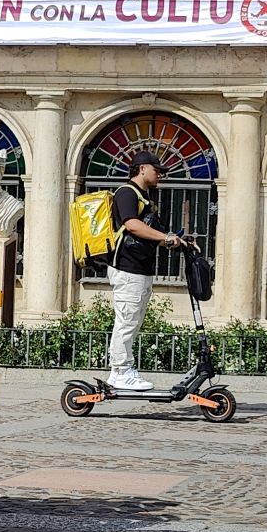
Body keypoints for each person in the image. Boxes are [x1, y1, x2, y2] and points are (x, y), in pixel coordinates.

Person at [107, 154, 187, 391]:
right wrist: (165, 238)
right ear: (142, 169)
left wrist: (180, 242)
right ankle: (120, 371)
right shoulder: (127, 193)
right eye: (156, 169)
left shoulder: (146, 198)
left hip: (140, 269)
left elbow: (153, 232)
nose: (159, 174)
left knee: (134, 321)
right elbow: (132, 225)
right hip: (127, 267)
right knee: (127, 320)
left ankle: (125, 369)